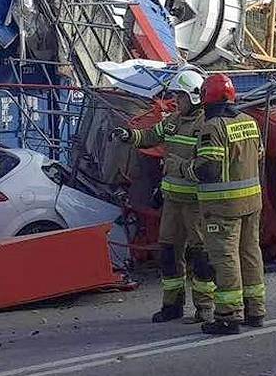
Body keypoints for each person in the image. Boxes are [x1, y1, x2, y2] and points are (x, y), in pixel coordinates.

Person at [111, 68, 216, 324]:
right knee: (169, 252)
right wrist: (129, 136)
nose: (175, 101)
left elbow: (207, 166)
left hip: (196, 204)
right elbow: (151, 136)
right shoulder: (173, 121)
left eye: (179, 96)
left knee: (200, 255)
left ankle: (204, 308)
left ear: (192, 97)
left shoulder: (206, 126)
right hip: (172, 202)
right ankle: (172, 305)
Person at [190, 73, 265, 336]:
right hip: (252, 202)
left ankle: (229, 316)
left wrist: (186, 168)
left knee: (225, 258)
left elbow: (208, 169)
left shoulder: (213, 127)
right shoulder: (250, 122)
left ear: (205, 100)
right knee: (250, 253)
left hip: (223, 207)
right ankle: (255, 310)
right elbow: (259, 155)